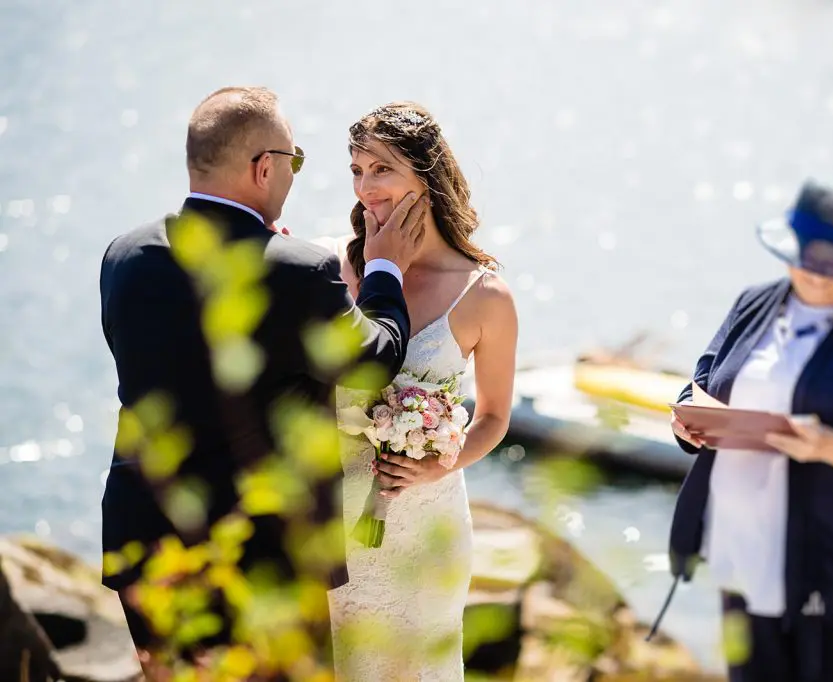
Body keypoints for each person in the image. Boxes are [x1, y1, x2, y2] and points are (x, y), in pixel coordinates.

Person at [99, 86, 426, 674]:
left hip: (146, 538)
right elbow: (375, 358)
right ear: (264, 167)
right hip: (266, 555)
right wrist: (385, 269)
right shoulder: (300, 269)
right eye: (294, 161)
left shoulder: (123, 254)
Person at [658, 179, 833, 682]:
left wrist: (828, 446)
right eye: (812, 263)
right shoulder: (753, 302)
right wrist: (687, 422)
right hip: (741, 543)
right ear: (791, 249)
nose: (822, 280)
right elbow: (701, 381)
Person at [314, 101, 518, 681]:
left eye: (381, 169)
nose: (364, 187)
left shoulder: (485, 295)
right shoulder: (333, 267)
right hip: (336, 523)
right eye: (356, 170)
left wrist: (441, 463)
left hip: (427, 528)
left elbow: (496, 416)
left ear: (424, 175)